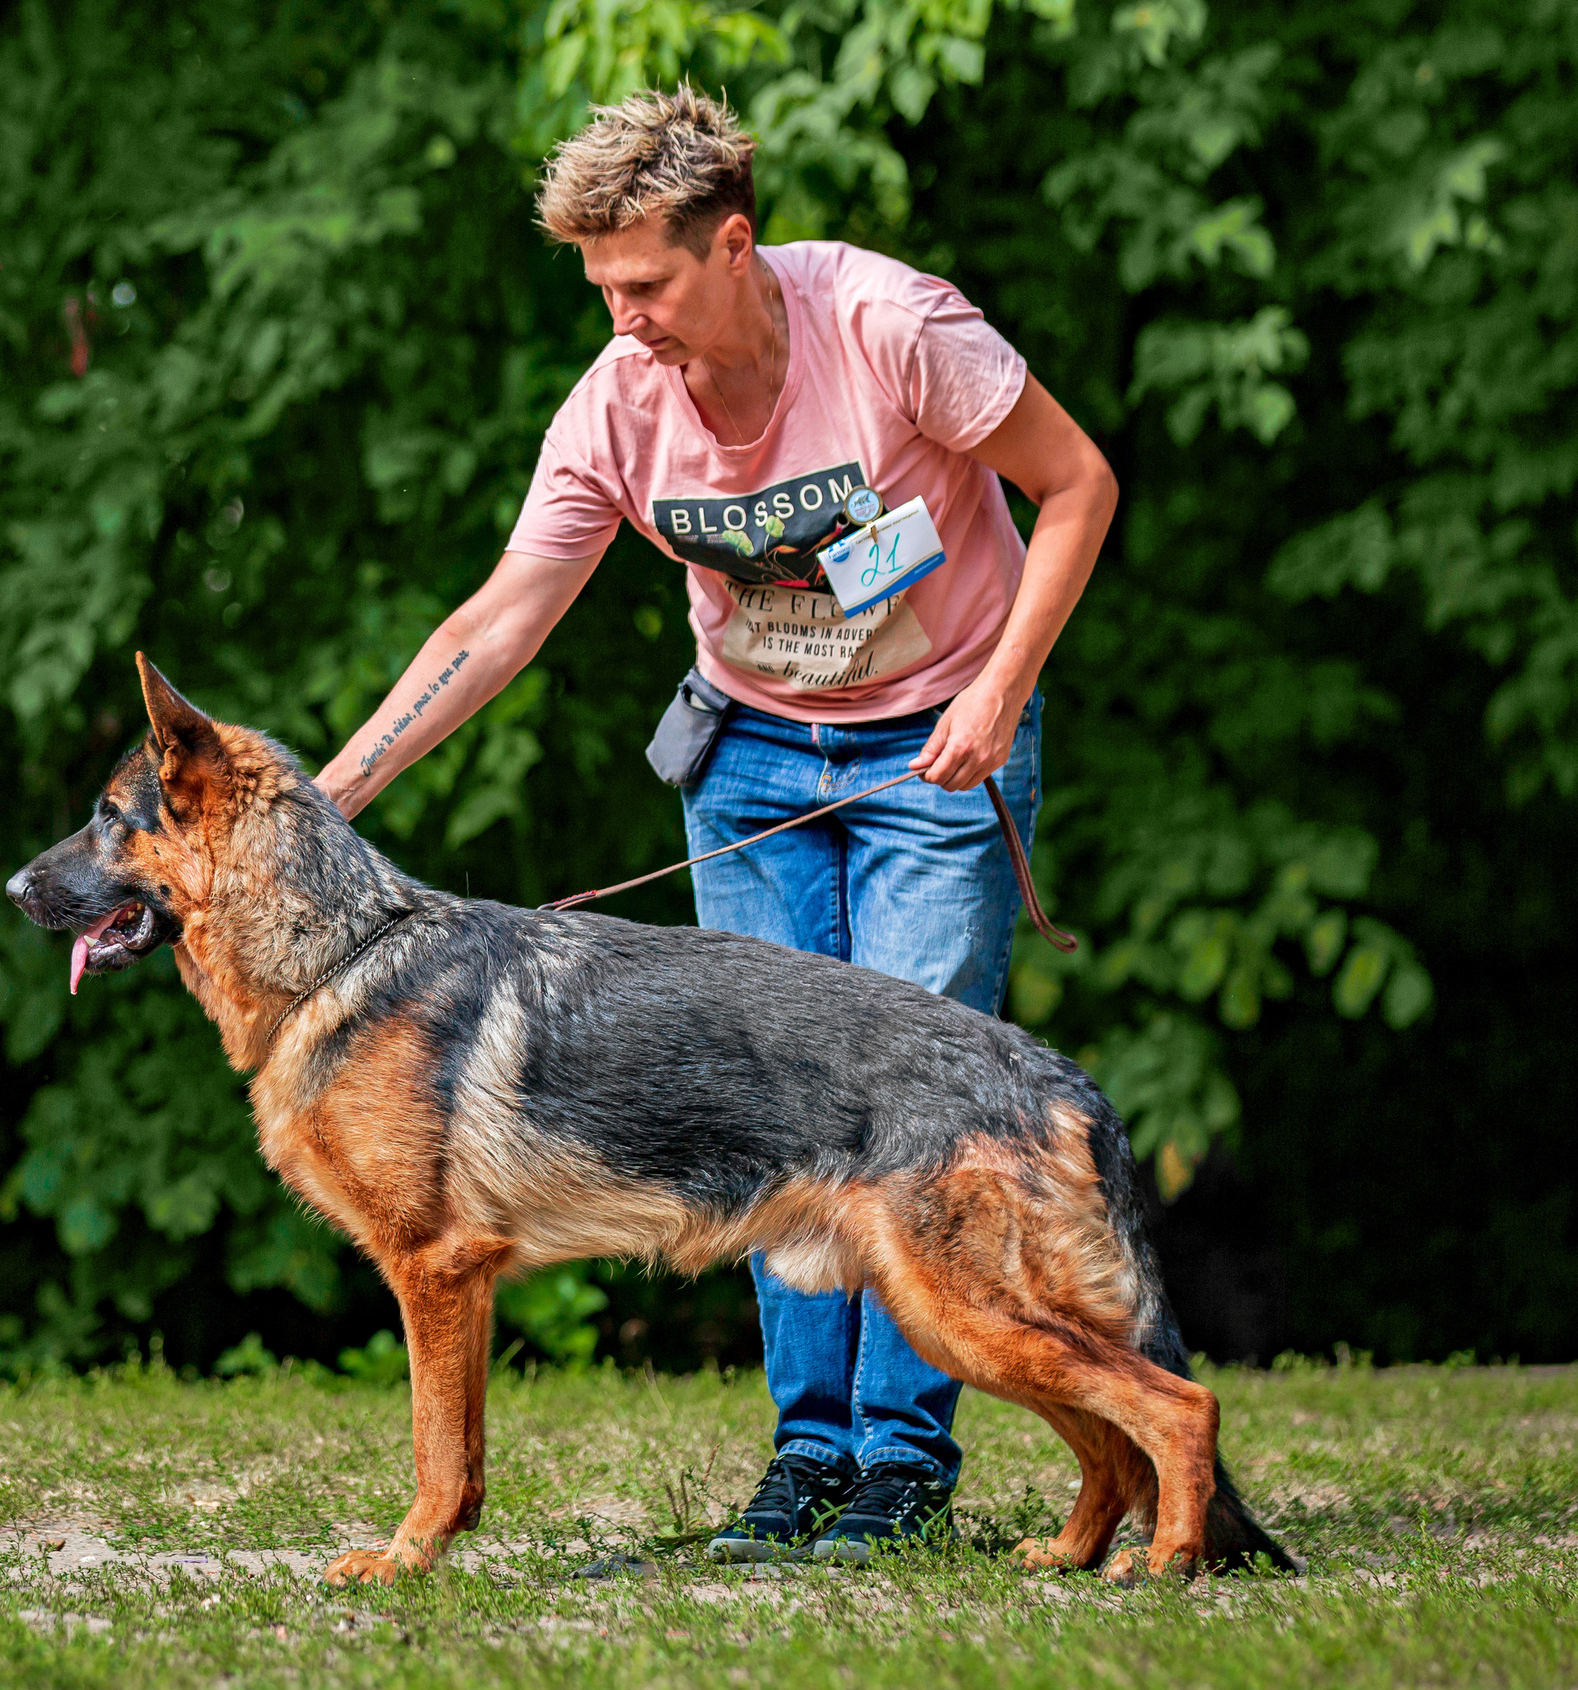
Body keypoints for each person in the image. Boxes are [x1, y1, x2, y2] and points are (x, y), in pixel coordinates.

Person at [311, 86, 1116, 1564]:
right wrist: (337, 791)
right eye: (603, 291)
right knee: (762, 1110)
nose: (625, 323)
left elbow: (1077, 488)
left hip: (932, 755)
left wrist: (1003, 691)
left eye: (646, 285)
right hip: (745, 760)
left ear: (733, 246)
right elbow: (502, 619)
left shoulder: (893, 328)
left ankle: (900, 1469)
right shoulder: (617, 401)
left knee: (910, 1113)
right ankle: (806, 1459)